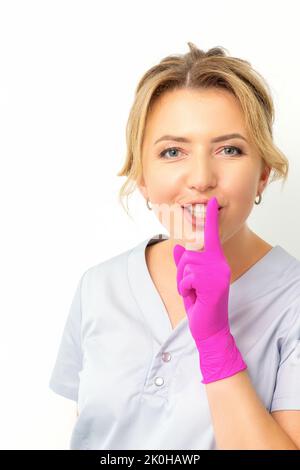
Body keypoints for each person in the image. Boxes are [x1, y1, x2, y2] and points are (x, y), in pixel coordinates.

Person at [49, 42, 300, 450]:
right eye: (172, 151)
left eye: (229, 149)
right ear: (142, 176)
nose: (201, 178)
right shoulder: (99, 286)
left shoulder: (293, 301)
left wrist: (216, 339)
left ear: (263, 175)